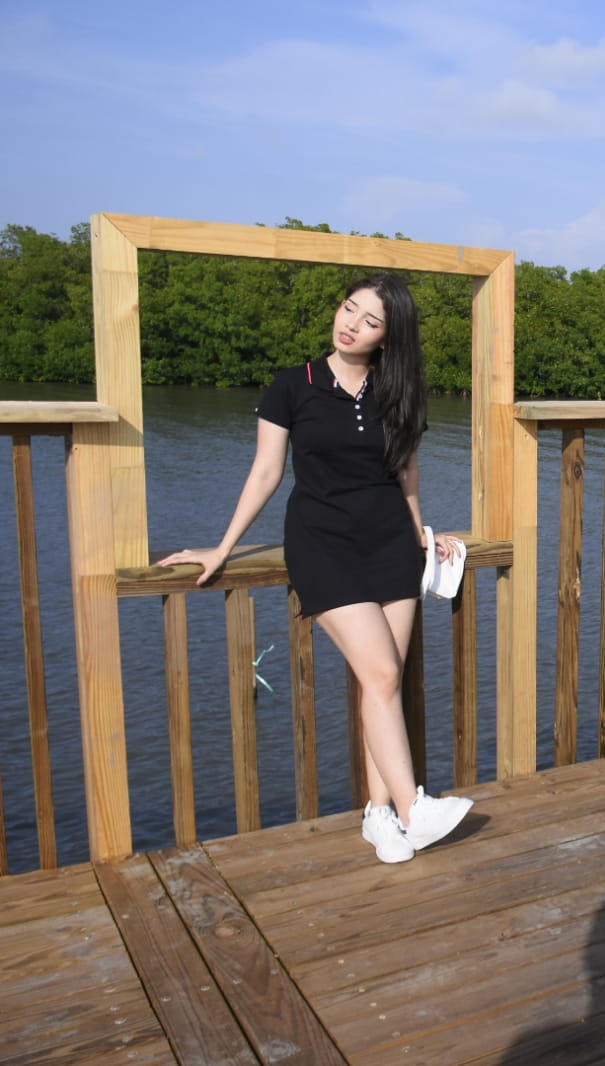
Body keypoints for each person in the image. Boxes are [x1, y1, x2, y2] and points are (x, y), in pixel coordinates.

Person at [159, 274, 475, 865]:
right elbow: (265, 473)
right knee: (382, 674)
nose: (350, 322)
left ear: (388, 337)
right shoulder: (293, 386)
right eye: (348, 308)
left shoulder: (398, 394)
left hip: (390, 547)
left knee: (382, 682)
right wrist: (222, 547)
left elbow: (406, 477)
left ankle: (381, 817)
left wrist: (424, 540)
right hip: (323, 545)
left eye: (369, 320)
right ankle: (415, 809)